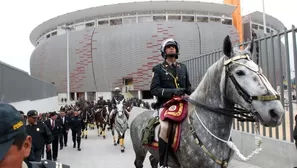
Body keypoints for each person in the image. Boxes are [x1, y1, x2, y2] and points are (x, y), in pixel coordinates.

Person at [150, 38, 192, 168]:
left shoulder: (183, 67)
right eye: (168, 47)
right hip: (166, 104)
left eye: (173, 46)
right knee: (165, 128)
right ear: (164, 51)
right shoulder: (158, 69)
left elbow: (188, 86)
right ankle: (163, 162)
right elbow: (154, 89)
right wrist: (173, 92)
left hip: (183, 102)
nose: (171, 48)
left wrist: (190, 93)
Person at [0, 103, 70, 168]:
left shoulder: (41, 124)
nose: (35, 119)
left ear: (26, 145)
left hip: (38, 148)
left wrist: (48, 144)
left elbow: (48, 134)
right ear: (28, 117)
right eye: (33, 118)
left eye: (2, 155)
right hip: (29, 152)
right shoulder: (23, 126)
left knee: (35, 161)